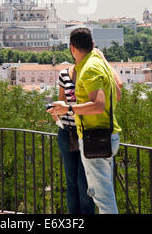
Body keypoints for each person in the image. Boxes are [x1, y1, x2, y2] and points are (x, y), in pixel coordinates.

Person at [48, 28, 122, 214]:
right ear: (93, 45)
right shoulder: (98, 63)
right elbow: (118, 91)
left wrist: (68, 108)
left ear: (72, 48)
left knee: (101, 197)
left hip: (94, 137)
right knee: (102, 193)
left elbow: (98, 105)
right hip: (104, 134)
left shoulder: (88, 69)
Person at [48, 65, 95, 214]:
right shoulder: (64, 74)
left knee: (85, 182)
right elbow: (62, 100)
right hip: (67, 131)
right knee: (71, 182)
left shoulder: (91, 73)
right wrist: (55, 111)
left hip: (87, 132)